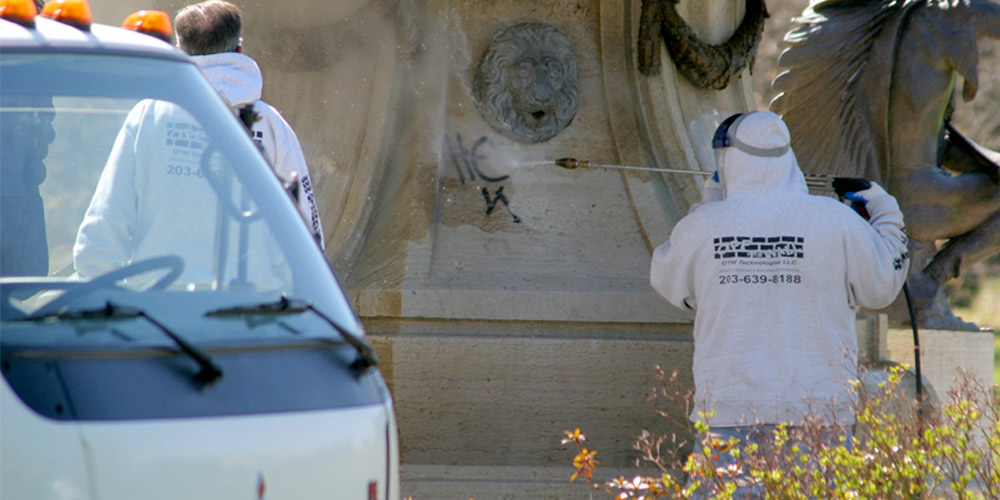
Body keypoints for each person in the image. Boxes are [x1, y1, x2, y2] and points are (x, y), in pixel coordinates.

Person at [649, 111, 910, 497]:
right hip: (819, 418)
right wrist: (885, 210)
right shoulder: (836, 221)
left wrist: (708, 209)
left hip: (730, 413)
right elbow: (883, 285)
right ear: (788, 158)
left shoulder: (703, 227)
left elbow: (670, 283)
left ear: (725, 160)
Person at [173, 0, 324, 250]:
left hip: (161, 283)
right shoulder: (270, 124)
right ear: (239, 50)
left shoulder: (151, 115)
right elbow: (304, 221)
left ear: (178, 49)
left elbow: (110, 216)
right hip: (249, 286)